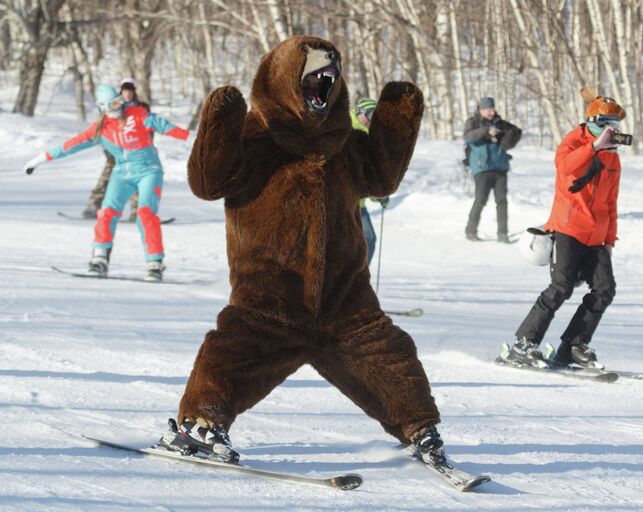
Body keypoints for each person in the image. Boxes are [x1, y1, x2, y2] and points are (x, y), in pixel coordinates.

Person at [154, 36, 449, 471]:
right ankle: (200, 424)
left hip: (344, 298)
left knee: (389, 356)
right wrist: (220, 124)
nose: (320, 87)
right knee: (231, 354)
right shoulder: (256, 136)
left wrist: (396, 121)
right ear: (284, 80)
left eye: (328, 79)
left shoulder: (344, 143)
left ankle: (419, 428)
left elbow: (381, 179)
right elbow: (207, 183)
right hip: (270, 294)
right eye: (310, 78)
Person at [499, 87, 624, 370]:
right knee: (561, 288)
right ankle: (524, 343)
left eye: (617, 126)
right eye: (609, 126)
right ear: (595, 124)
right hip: (568, 230)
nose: (614, 132)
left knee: (605, 289)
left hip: (596, 237)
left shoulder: (613, 157)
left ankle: (573, 346)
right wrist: (593, 148)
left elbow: (611, 202)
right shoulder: (573, 143)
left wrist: (609, 240)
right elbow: (566, 167)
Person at [23, 83, 189, 281]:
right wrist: (40, 159)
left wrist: (197, 140)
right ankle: (99, 258)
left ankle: (155, 263)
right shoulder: (100, 128)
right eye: (112, 105)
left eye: (119, 102)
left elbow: (166, 127)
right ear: (102, 107)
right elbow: (70, 146)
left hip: (149, 171)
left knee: (145, 213)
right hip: (122, 173)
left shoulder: (138, 114)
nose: (117, 107)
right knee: (107, 212)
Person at [82, 78, 149, 220]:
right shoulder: (115, 105)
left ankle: (137, 210)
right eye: (125, 92)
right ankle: (94, 205)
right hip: (115, 151)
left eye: (130, 92)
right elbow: (103, 126)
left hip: (135, 151)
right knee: (106, 177)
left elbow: (149, 129)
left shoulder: (142, 108)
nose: (128, 95)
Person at [463, 97, 521, 243]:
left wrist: (507, 140)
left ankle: (503, 234)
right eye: (489, 109)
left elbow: (516, 132)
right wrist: (487, 131)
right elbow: (468, 137)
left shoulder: (500, 122)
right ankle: (470, 231)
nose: (492, 112)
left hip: (500, 166)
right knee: (480, 199)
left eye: (493, 109)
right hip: (482, 167)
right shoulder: (473, 122)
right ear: (481, 110)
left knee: (502, 201)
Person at [351, 96, 389, 265]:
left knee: (369, 238)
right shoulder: (343, 129)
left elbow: (370, 174)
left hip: (358, 204)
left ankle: (359, 278)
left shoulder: (371, 137)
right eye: (372, 115)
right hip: (337, 201)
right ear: (362, 113)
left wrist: (378, 194)